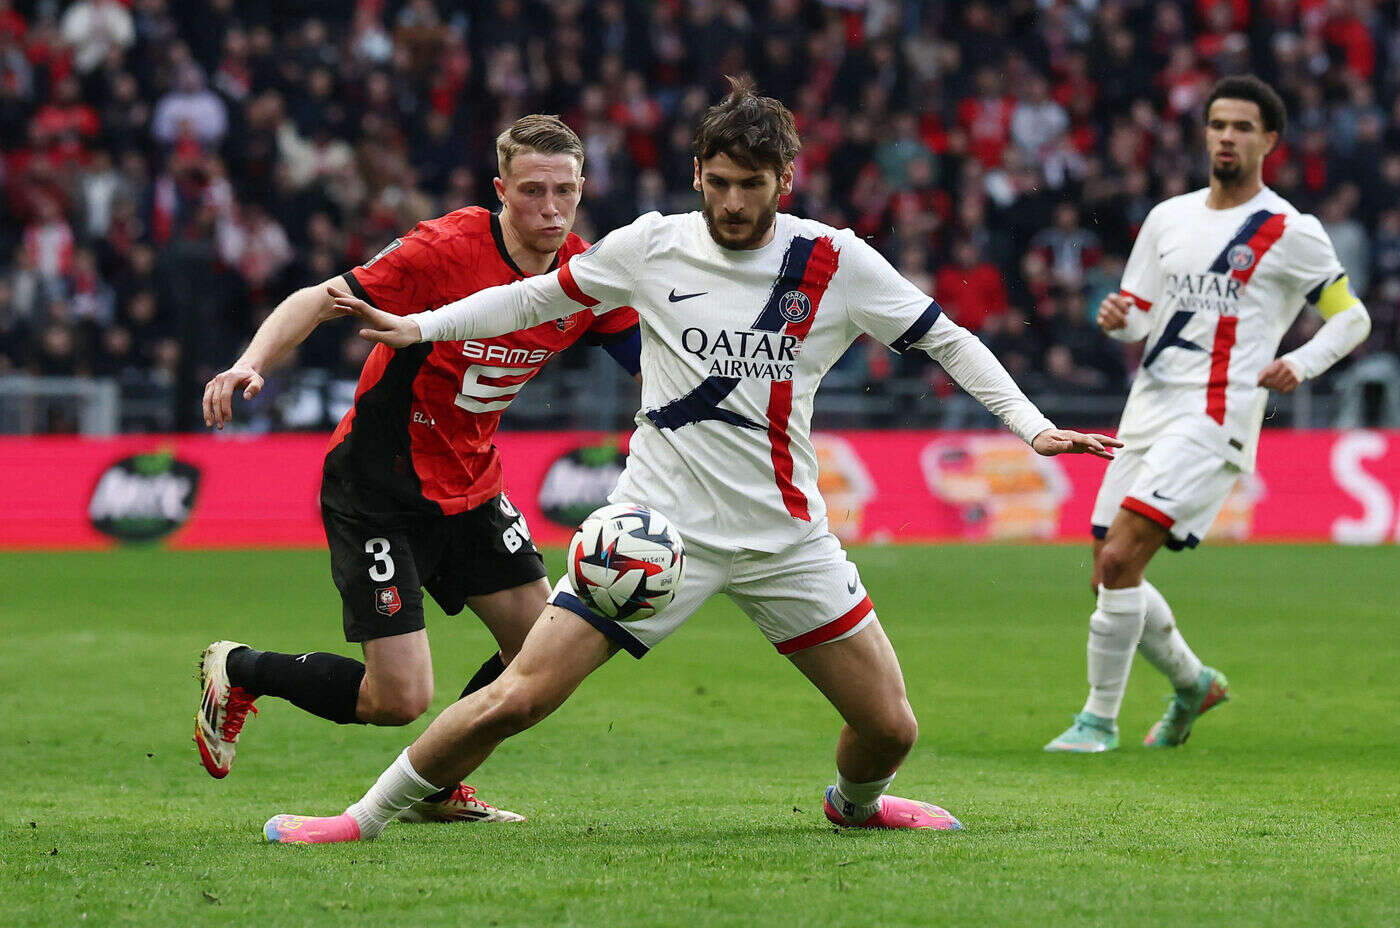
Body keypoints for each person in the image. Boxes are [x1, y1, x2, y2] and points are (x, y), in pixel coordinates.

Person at [260, 76, 1118, 844]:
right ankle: (357, 820)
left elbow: (948, 340)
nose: (733, 201)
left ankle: (855, 806)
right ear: (698, 174)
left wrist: (1033, 427)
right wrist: (423, 327)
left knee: (891, 729)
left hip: (786, 537)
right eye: (719, 182)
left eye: (752, 185)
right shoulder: (651, 246)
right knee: (520, 694)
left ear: (785, 183)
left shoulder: (835, 262)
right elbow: (530, 296)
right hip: (657, 532)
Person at [194, 115, 641, 824]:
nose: (550, 208)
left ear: (584, 189)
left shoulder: (583, 276)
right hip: (378, 488)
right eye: (532, 191)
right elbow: (322, 297)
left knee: (544, 658)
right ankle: (241, 667)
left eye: (564, 191)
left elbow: (655, 365)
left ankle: (436, 787)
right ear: (501, 190)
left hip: (474, 487)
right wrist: (251, 363)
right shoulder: (445, 249)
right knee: (397, 700)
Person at [1045, 76, 1372, 754]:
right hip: (1150, 407)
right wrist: (1115, 320)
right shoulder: (1169, 217)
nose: (1227, 136)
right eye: (1218, 124)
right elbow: (1136, 318)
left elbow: (1353, 318)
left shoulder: (1290, 231)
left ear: (1270, 141)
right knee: (1109, 568)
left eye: (1243, 127)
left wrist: (1301, 363)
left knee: (1119, 556)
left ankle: (1097, 723)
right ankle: (1194, 684)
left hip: (1217, 413)